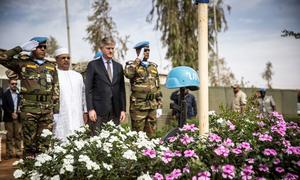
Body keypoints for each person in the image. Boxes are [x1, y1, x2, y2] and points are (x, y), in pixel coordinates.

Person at [0, 37, 59, 156]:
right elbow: (2, 57)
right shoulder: (23, 63)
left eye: (44, 47)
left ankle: (43, 172)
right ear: (32, 48)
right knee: (29, 144)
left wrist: (56, 111)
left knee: (45, 145)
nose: (43, 49)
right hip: (29, 109)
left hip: (47, 110)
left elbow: (56, 89)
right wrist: (20, 48)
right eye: (39, 47)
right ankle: (29, 172)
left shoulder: (51, 66)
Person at [85, 37, 126, 135]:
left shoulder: (118, 66)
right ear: (101, 48)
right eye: (108, 48)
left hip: (115, 111)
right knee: (96, 139)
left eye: (112, 48)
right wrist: (90, 109)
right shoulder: (93, 65)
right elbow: (88, 89)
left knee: (113, 139)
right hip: (98, 111)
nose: (111, 50)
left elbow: (121, 90)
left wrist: (123, 110)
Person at [124, 41, 163, 137]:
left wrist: (160, 105)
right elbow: (128, 74)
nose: (147, 52)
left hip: (152, 106)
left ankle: (150, 152)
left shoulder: (153, 67)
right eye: (145, 50)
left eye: (148, 50)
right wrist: (138, 60)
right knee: (137, 135)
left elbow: (158, 87)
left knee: (152, 135)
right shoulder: (132, 66)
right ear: (138, 51)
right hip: (139, 106)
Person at [53, 48, 87, 141]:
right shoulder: (54, 75)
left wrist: (85, 111)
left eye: (68, 58)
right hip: (60, 115)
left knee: (78, 138)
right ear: (57, 60)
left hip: (77, 114)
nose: (66, 60)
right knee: (61, 137)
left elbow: (84, 94)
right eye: (63, 58)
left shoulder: (77, 76)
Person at [2, 79, 21, 159]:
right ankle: (9, 153)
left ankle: (18, 152)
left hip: (18, 117)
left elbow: (21, 104)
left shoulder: (19, 94)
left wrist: (18, 113)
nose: (14, 85)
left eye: (15, 84)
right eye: (12, 84)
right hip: (8, 118)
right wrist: (11, 113)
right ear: (9, 84)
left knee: (18, 136)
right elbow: (4, 106)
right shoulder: (5, 94)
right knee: (9, 137)